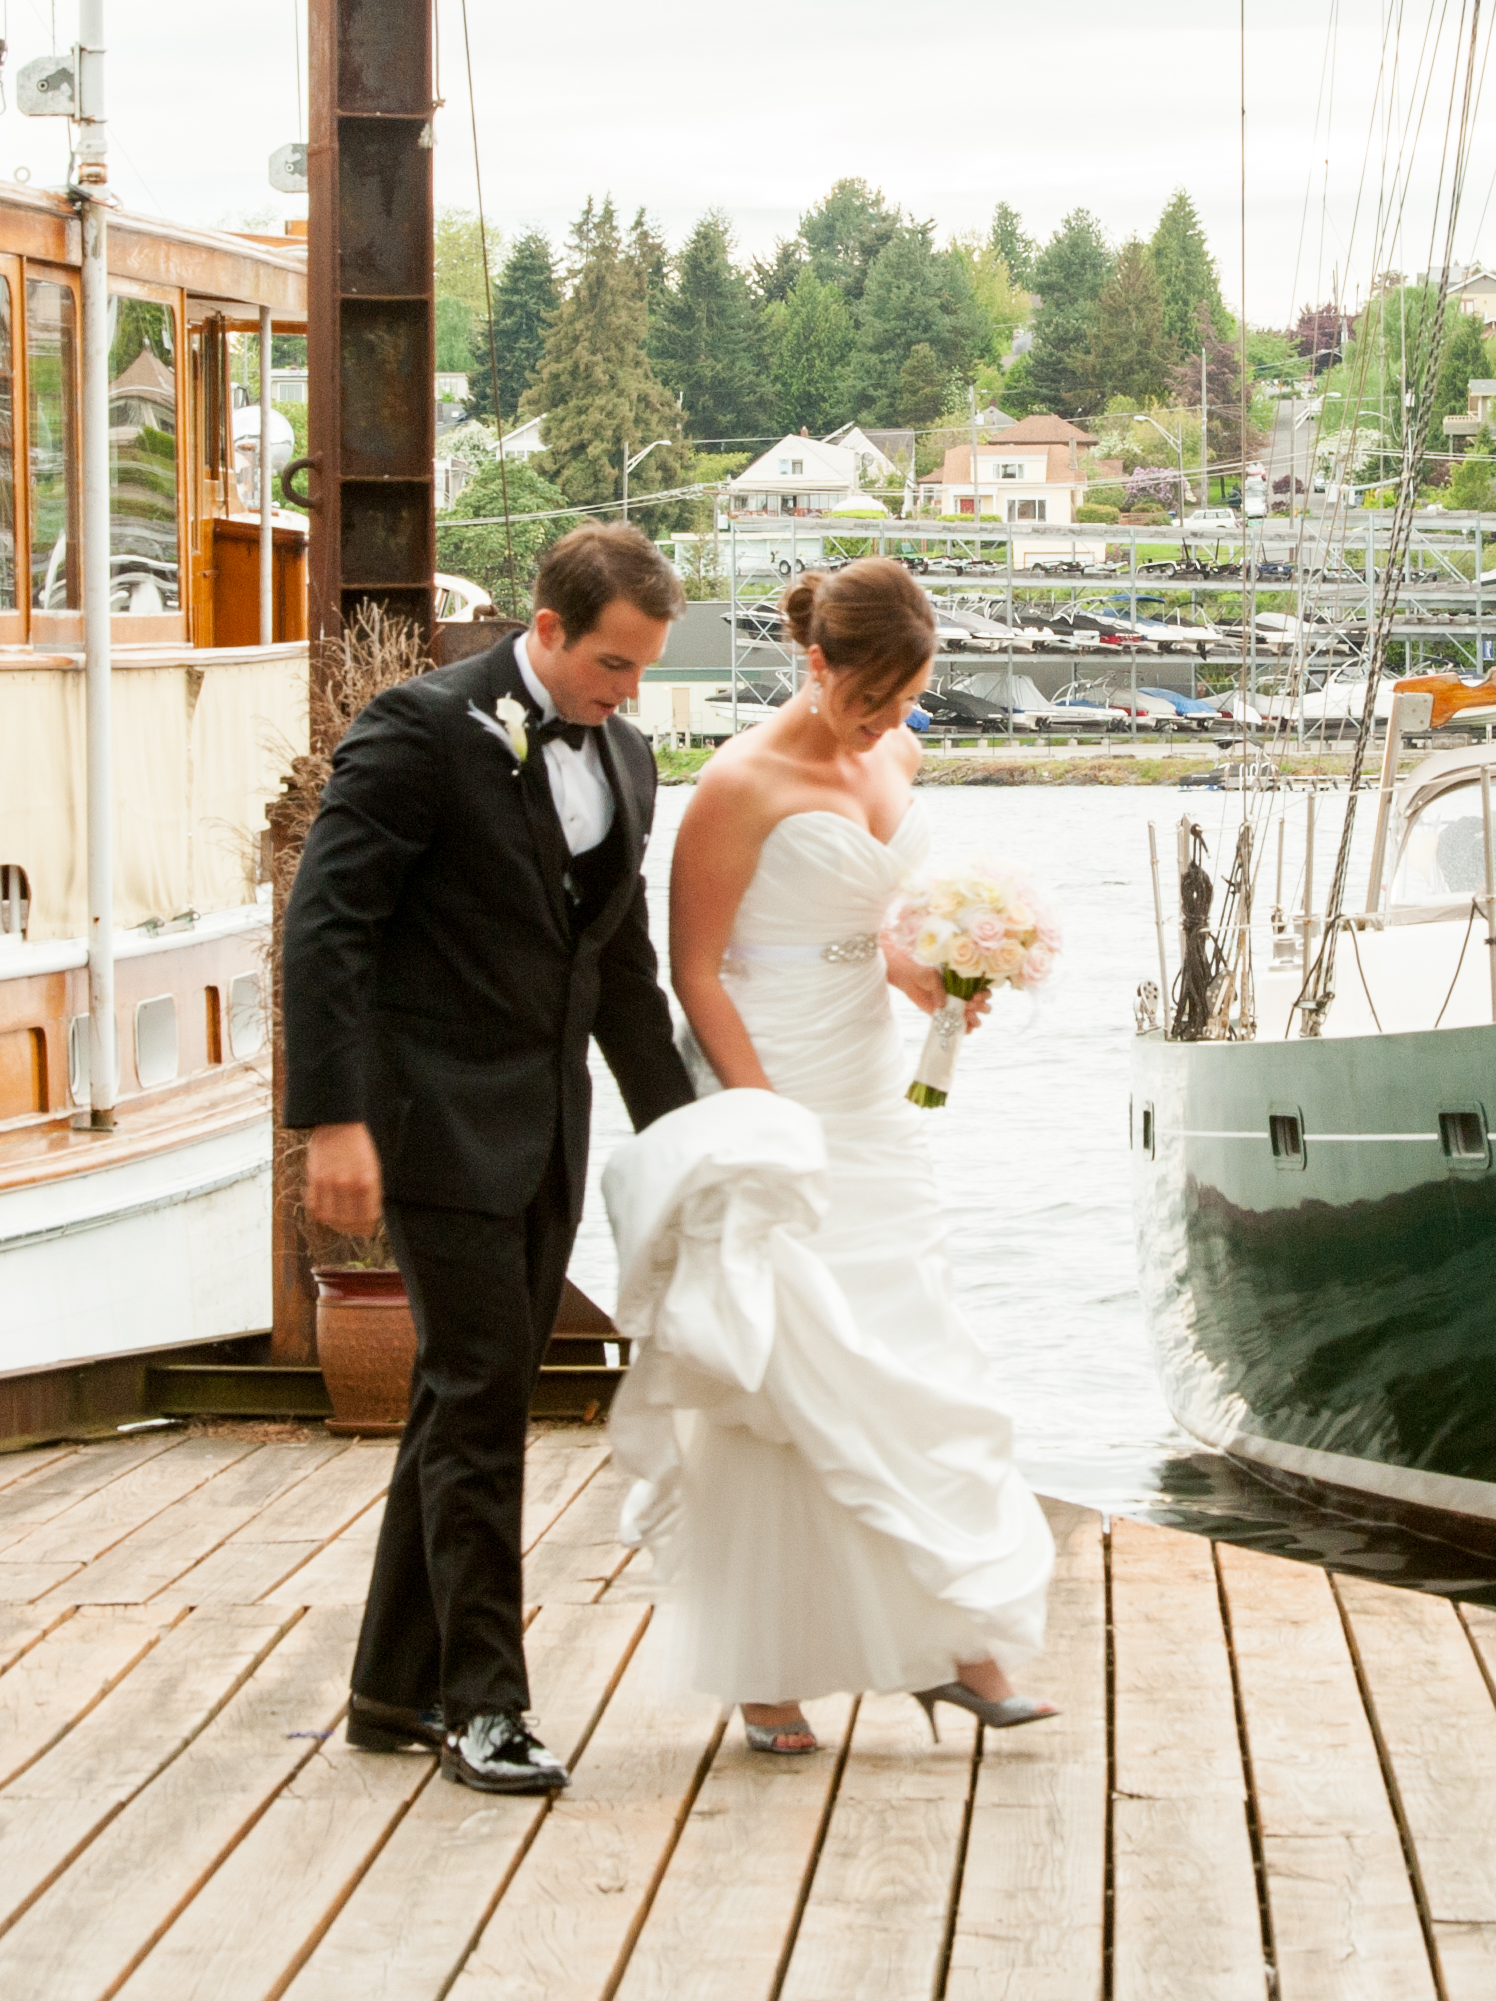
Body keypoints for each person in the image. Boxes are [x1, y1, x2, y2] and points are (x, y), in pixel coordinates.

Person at [609, 556, 1055, 1757]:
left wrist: (932, 979)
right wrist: (758, 1116)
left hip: (868, 1089)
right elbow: (694, 970)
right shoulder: (736, 786)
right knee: (783, 1368)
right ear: (815, 663)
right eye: (870, 699)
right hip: (775, 1081)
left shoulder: (896, 758)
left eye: (905, 701)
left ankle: (956, 1643)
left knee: (909, 1346)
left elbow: (868, 930)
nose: (887, 723)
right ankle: (769, 1672)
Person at [281, 523, 700, 1794]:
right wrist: (335, 1122)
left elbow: (616, 969)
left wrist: (683, 1135)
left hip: (546, 1128)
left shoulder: (625, 757)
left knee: (469, 1391)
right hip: (428, 1120)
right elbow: (326, 930)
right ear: (550, 625)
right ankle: (484, 1707)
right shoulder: (420, 730)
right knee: (477, 1396)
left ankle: (387, 1689)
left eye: (641, 673)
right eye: (612, 666)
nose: (626, 695)